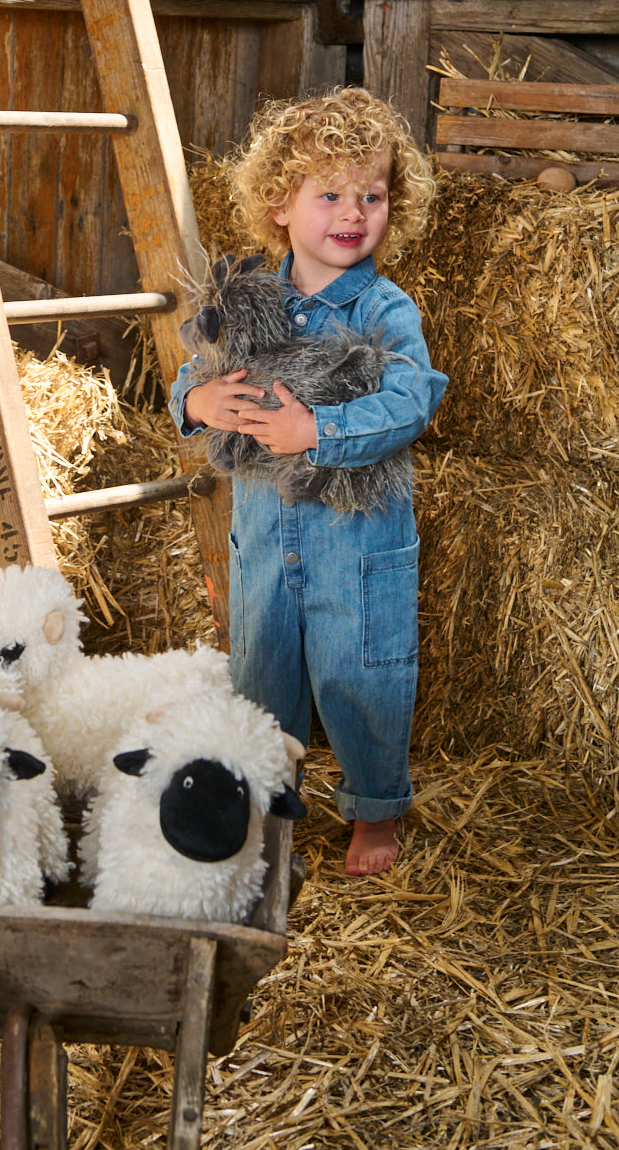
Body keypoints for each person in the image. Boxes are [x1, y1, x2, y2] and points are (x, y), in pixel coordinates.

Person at [169, 88, 447, 876]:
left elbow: (411, 398)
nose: (353, 213)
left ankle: (374, 810)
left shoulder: (387, 310)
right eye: (329, 194)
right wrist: (198, 400)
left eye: (372, 195)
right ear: (279, 204)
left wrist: (316, 430)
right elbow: (191, 376)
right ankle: (264, 805)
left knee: (361, 670)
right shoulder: (248, 302)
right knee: (260, 675)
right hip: (261, 534)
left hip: (358, 541)